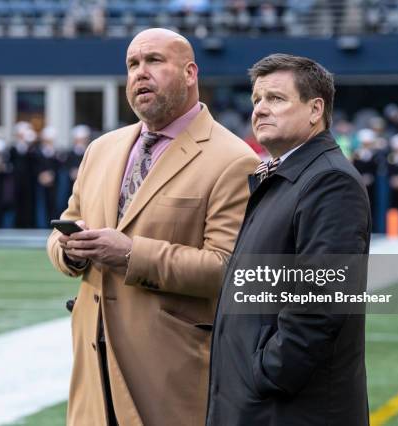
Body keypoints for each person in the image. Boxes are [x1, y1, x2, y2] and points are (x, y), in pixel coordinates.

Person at [46, 28, 258, 426]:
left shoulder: (233, 158)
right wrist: (68, 251)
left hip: (169, 372)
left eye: (154, 61)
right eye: (132, 64)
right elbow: (66, 225)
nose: (140, 73)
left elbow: (229, 269)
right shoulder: (101, 149)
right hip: (93, 367)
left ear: (190, 73)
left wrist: (129, 254)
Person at [206, 54, 371, 425]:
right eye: (256, 100)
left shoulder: (329, 181)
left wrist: (268, 372)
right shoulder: (289, 175)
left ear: (316, 110)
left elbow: (321, 299)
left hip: (289, 409)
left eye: (276, 99)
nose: (260, 110)